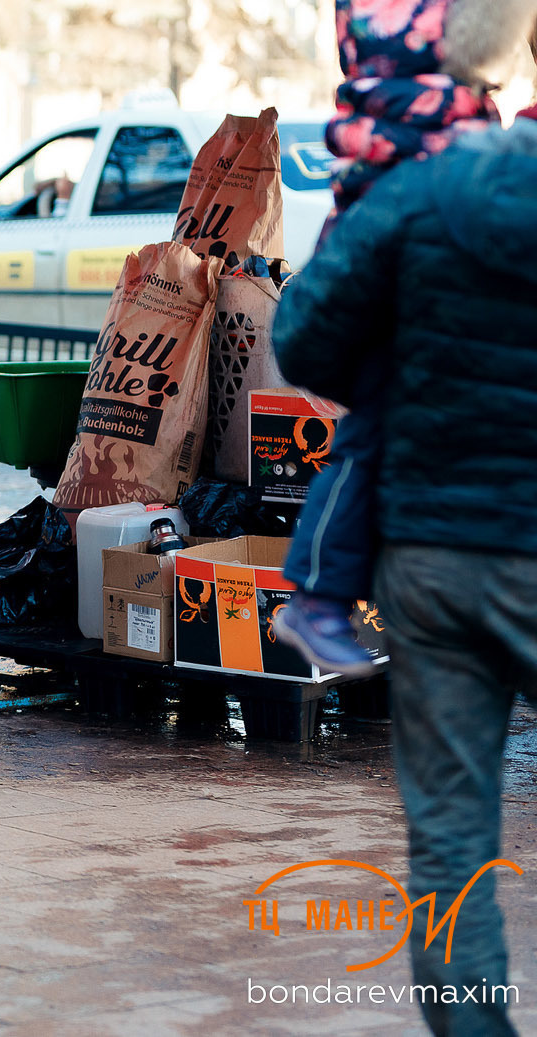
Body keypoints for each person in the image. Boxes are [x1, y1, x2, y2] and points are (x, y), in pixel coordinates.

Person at [271, 112, 537, 1037]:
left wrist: (404, 365)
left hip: (434, 556)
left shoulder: (430, 185)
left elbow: (302, 338)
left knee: (453, 842)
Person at [272, 0, 537, 678]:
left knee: (365, 437)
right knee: (366, 438)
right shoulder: (446, 117)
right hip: (412, 312)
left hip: (382, 295)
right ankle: (317, 597)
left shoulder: (375, 93)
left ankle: (322, 597)